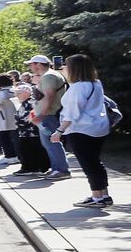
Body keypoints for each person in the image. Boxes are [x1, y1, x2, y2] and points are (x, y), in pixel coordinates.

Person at [52, 54, 112, 206]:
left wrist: (59, 131)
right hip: (98, 128)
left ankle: (97, 196)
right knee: (95, 162)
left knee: (88, 164)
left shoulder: (78, 88)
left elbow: (72, 113)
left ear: (74, 68)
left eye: (66, 65)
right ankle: (104, 195)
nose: (63, 67)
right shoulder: (95, 83)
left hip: (81, 130)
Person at [27, 54, 71, 179]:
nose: (30, 66)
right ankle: (56, 168)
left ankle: (61, 170)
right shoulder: (48, 75)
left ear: (38, 64)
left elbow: (49, 96)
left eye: (32, 63)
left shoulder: (49, 76)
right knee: (49, 143)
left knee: (52, 142)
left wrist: (41, 114)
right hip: (47, 114)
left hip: (49, 115)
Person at [12, 84, 50, 176]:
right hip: (25, 132)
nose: (16, 95)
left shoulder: (30, 103)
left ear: (26, 93)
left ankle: (31, 168)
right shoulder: (23, 104)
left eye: (19, 93)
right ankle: (31, 167)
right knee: (26, 149)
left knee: (29, 149)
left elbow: (30, 117)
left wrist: (20, 122)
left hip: (31, 132)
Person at [0, 75, 19, 161]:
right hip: (15, 116)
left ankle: (9, 156)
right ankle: (15, 155)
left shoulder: (3, 92)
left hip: (4, 118)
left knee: (5, 137)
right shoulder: (15, 90)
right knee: (14, 137)